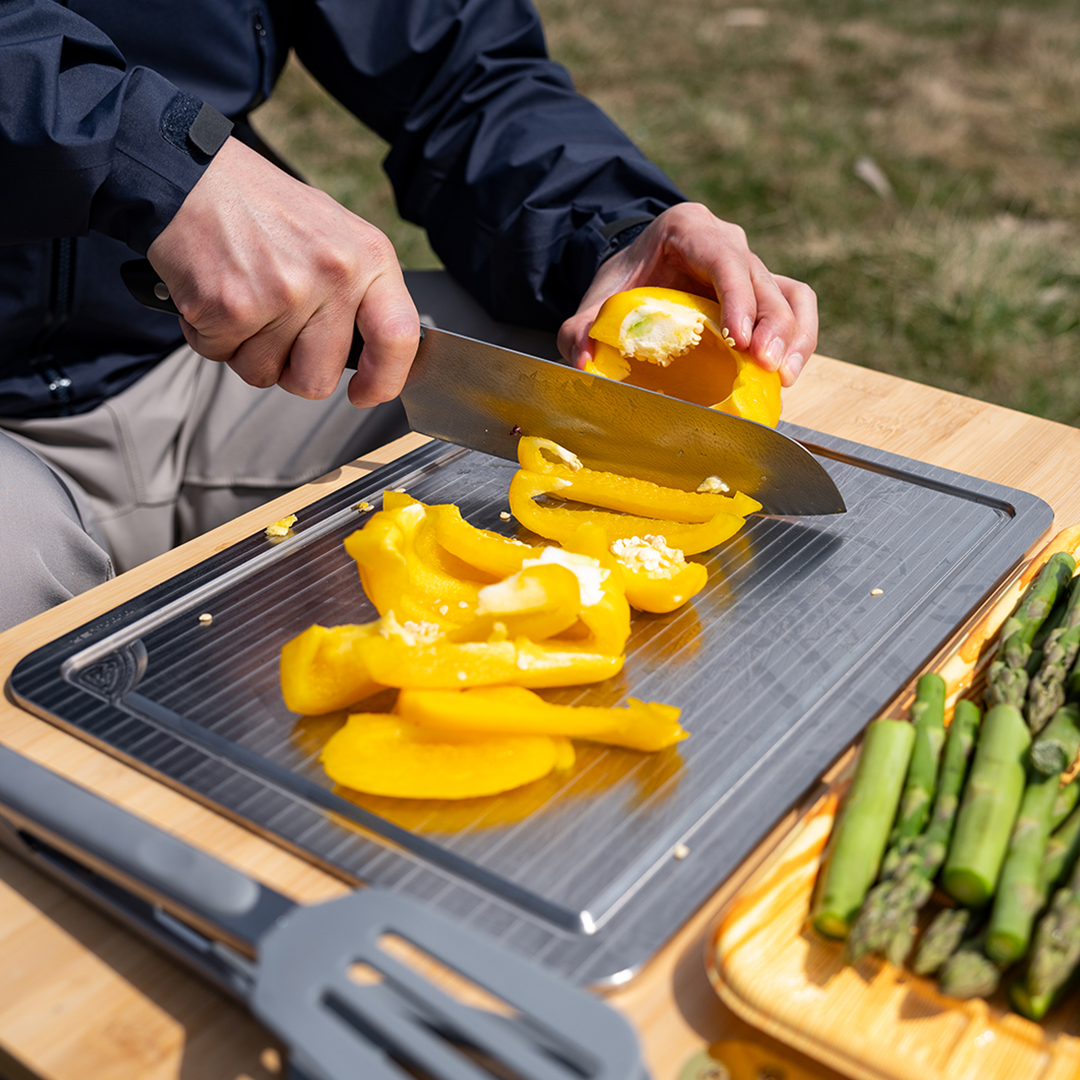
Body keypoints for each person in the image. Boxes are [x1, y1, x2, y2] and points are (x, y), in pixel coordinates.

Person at [0, 0, 817, 632]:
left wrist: (610, 228)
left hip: (221, 355)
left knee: (580, 386)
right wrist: (142, 156)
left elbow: (462, 71)